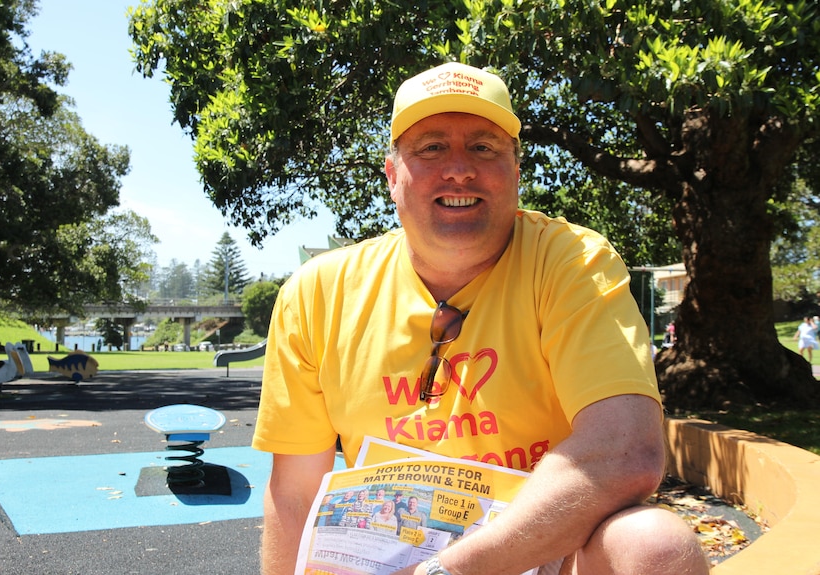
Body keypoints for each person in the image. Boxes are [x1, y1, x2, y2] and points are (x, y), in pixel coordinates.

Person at [254, 62, 709, 575]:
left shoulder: (570, 262)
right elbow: (295, 494)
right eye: (430, 148)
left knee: (656, 545)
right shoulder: (318, 292)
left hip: (537, 553)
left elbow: (626, 451)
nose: (459, 170)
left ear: (516, 170)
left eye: (483, 147)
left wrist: (444, 572)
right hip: (384, 555)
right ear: (392, 176)